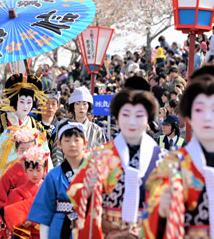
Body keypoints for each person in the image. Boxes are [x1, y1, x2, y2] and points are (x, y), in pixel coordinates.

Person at [67, 85, 165, 238]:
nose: (132, 122)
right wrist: (87, 189)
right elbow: (74, 191)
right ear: (117, 119)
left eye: (139, 115)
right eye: (125, 115)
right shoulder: (100, 155)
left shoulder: (163, 159)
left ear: (148, 120)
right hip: (107, 232)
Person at [142, 66, 214, 238]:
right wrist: (161, 211)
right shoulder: (169, 166)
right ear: (188, 117)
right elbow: (149, 226)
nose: (207, 117)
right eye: (199, 110)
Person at [28, 119, 88, 239]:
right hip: (59, 226)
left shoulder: (94, 171)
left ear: (85, 143)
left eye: (77, 140)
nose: (72, 144)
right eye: (67, 140)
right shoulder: (53, 175)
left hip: (88, 223)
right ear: (59, 144)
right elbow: (45, 211)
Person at [0, 126, 38, 239]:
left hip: (35, 215)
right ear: (16, 150)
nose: (26, 153)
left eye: (29, 149)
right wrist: (12, 215)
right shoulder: (11, 172)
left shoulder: (41, 169)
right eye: (22, 150)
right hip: (14, 218)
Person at [4, 146, 49, 239]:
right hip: (26, 234)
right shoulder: (18, 192)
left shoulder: (50, 188)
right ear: (26, 171)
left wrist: (33, 221)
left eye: (38, 170)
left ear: (44, 170)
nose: (35, 174)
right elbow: (14, 217)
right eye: (31, 170)